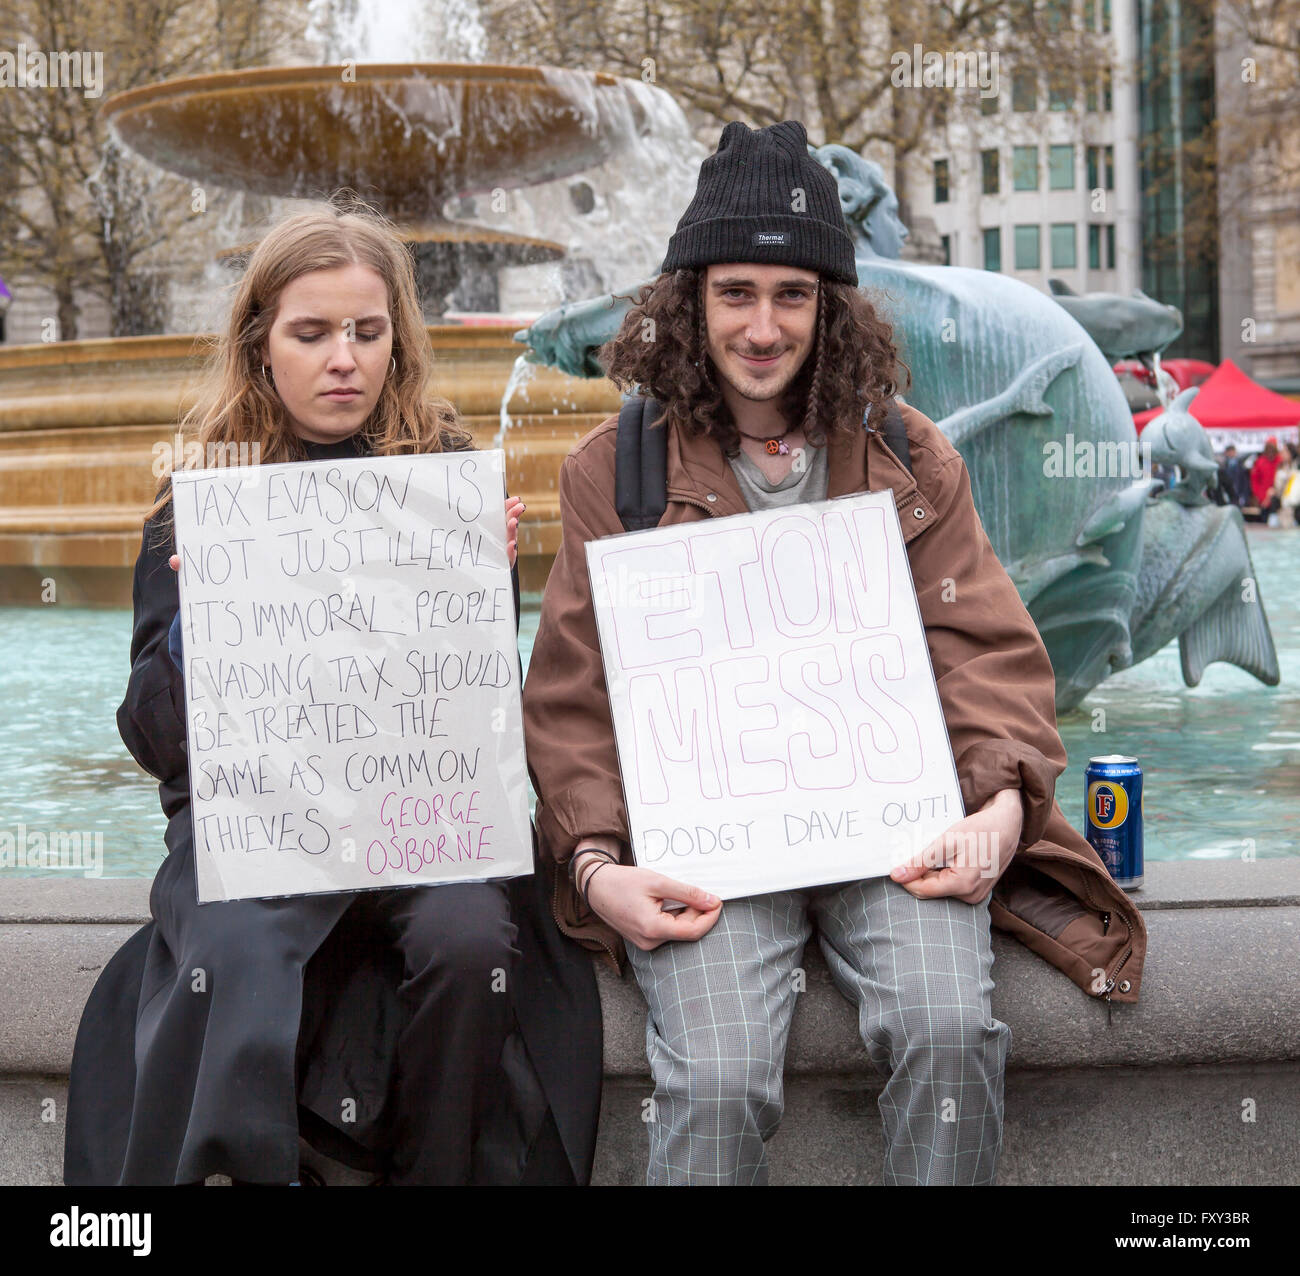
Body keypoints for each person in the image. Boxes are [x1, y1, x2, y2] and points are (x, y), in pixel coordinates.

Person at [522, 119, 1147, 1186]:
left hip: (893, 836)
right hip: (708, 848)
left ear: (830, 306)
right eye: (735, 292)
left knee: (949, 1032)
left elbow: (987, 653)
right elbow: (571, 701)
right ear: (690, 299)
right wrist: (597, 866)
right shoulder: (610, 472)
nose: (763, 326)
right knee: (713, 1081)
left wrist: (999, 814)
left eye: (792, 294)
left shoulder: (907, 452)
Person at [64, 203, 600, 1186]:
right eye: (312, 333)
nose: (343, 357)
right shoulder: (198, 500)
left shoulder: (440, 484)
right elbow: (151, 735)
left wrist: (482, 582)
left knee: (472, 937)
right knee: (230, 950)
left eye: (367, 329)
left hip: (415, 816)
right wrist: (197, 622)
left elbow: (480, 719)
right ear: (260, 344)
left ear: (397, 338)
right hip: (258, 822)